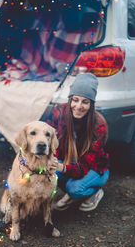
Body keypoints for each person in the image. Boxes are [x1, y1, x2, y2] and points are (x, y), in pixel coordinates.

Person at [47, 73, 110, 211]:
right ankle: (71, 192)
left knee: (75, 188)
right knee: (46, 173)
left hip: (94, 169)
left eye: (85, 102)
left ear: (91, 104)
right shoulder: (60, 112)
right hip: (69, 162)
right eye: (75, 100)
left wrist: (61, 168)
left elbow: (83, 168)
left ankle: (95, 192)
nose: (78, 106)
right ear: (70, 99)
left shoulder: (99, 126)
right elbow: (48, 141)